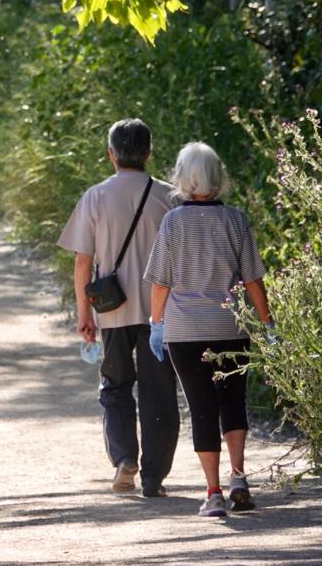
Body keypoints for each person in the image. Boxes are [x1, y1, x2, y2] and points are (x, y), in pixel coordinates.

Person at [145, 142, 271, 518]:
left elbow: (160, 283)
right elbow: (254, 280)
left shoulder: (173, 222)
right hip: (231, 326)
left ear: (183, 178)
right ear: (218, 176)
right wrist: (266, 324)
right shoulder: (236, 219)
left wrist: (156, 323)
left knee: (201, 408)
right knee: (233, 401)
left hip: (185, 331)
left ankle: (213, 493)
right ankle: (238, 477)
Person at [57, 118, 180, 497]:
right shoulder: (170, 197)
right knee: (159, 393)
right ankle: (154, 477)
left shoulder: (95, 197)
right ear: (149, 153)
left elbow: (82, 262)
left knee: (115, 387)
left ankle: (125, 458)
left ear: (110, 154)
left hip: (112, 312)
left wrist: (84, 314)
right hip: (162, 314)